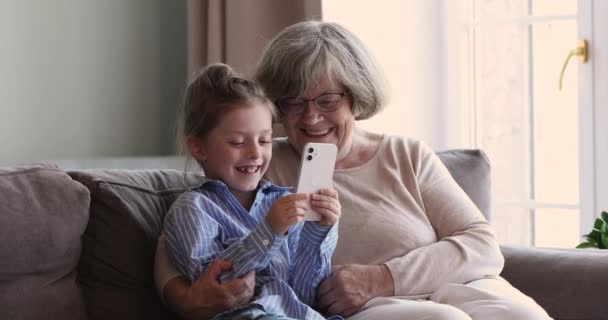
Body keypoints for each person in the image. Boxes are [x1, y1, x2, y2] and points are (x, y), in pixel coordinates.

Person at [155, 21, 552, 320]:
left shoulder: (405, 154)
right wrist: (185, 298)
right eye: (293, 102)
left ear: (356, 95)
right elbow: (189, 225)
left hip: (453, 287)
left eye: (327, 99)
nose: (311, 117)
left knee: (523, 315)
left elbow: (482, 244)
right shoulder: (259, 161)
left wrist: (383, 276)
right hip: (370, 310)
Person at [162, 62, 342, 320]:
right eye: (238, 142)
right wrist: (269, 231)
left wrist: (319, 230)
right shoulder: (193, 209)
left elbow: (302, 295)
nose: (256, 153)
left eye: (264, 140)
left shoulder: (282, 202)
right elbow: (216, 288)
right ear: (198, 147)